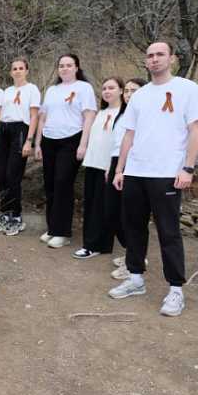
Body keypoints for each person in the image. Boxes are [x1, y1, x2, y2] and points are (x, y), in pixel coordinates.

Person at [110, 41, 198, 317]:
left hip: (167, 173)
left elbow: (196, 129)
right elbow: (129, 134)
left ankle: (176, 289)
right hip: (135, 172)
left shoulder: (187, 88)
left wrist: (187, 168)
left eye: (160, 54)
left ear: (172, 58)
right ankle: (135, 278)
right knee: (134, 228)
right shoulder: (139, 96)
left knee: (168, 231)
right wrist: (120, 169)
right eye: (150, 55)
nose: (154, 59)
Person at [34, 54, 96, 248]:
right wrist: (38, 143)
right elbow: (42, 118)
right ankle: (52, 228)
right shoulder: (52, 90)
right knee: (50, 184)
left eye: (69, 65)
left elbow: (89, 116)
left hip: (71, 140)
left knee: (63, 183)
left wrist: (83, 144)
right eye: (61, 65)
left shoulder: (84, 88)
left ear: (76, 67)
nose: (65, 68)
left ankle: (62, 232)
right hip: (49, 140)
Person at [74, 77, 125, 259]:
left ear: (121, 90)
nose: (107, 91)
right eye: (104, 88)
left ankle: (95, 245)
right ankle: (95, 244)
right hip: (93, 163)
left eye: (111, 88)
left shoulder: (124, 113)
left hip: (109, 166)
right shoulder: (101, 112)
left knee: (103, 207)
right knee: (91, 205)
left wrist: (113, 167)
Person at [0, 58, 40, 236]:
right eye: (14, 69)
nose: (17, 71)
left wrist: (29, 140)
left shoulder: (32, 89)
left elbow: (34, 116)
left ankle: (16, 216)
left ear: (26, 71)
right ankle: (5, 214)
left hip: (20, 130)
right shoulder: (7, 91)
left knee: (13, 175)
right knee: (1, 175)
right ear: (10, 72)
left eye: (20, 68)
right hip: (4, 130)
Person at [109, 78, 147, 279]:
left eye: (135, 90)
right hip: (117, 163)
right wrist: (113, 167)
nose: (129, 94)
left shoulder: (145, 114)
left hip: (134, 166)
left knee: (130, 216)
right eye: (127, 91)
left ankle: (135, 260)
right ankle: (130, 254)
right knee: (114, 212)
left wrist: (124, 168)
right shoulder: (123, 114)